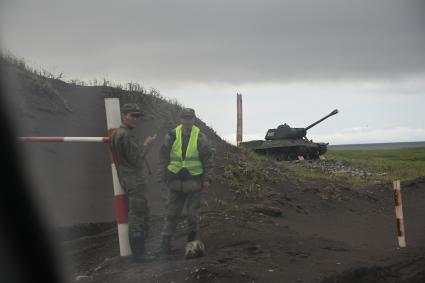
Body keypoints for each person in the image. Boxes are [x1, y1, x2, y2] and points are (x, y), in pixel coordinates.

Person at [157, 108, 214, 254]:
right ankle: (165, 245)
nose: (187, 121)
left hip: (194, 183)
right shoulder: (171, 136)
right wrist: (162, 178)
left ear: (193, 119)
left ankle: (191, 245)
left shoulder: (200, 137)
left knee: (191, 215)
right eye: (184, 118)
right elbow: (163, 157)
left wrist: (207, 178)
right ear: (180, 119)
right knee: (171, 214)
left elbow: (208, 159)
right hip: (175, 182)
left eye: (189, 118)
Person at [109, 103, 156, 261]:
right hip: (134, 181)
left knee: (138, 214)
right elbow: (136, 160)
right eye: (132, 115)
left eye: (137, 116)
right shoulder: (126, 135)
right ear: (124, 115)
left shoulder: (116, 134)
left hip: (128, 179)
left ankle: (139, 253)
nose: (135, 119)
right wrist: (147, 145)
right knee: (138, 216)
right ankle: (139, 255)